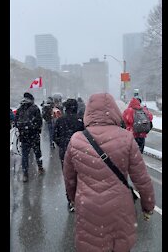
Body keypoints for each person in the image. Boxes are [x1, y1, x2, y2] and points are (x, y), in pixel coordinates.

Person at [63, 93, 155, 252]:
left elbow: (69, 178)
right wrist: (147, 206)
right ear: (114, 111)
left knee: (91, 244)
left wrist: (73, 199)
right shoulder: (126, 138)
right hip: (119, 208)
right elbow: (142, 179)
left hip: (88, 208)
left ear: (88, 112)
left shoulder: (76, 139)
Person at [53, 98, 84, 212]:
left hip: (65, 151)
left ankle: (71, 200)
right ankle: (80, 197)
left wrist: (62, 144)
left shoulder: (60, 120)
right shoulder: (81, 120)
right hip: (80, 151)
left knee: (68, 176)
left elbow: (55, 137)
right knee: (80, 175)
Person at [14, 92, 45, 182]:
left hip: (24, 136)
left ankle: (25, 174)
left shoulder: (20, 109)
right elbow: (39, 122)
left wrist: (21, 129)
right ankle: (40, 168)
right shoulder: (35, 108)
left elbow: (16, 122)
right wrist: (38, 130)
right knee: (37, 153)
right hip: (34, 135)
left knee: (25, 156)